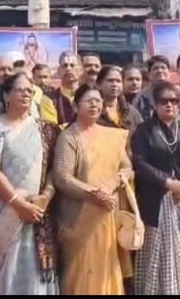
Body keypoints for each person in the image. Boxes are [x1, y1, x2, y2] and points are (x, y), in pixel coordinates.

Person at [0, 73, 59, 295]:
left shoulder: (45, 128)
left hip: (38, 210)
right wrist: (19, 205)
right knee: (6, 271)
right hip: (5, 209)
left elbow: (53, 169)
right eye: (20, 89)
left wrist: (46, 196)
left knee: (37, 273)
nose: (26, 94)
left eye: (29, 90)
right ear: (6, 95)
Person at [54, 85, 133, 295]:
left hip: (107, 216)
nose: (95, 105)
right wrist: (96, 195)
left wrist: (113, 183)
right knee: (81, 276)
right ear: (75, 106)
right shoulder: (69, 137)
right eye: (89, 101)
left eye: (98, 101)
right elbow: (62, 178)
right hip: (79, 220)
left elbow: (127, 168)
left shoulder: (112, 136)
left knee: (106, 273)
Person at [130, 82, 180, 294]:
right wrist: (168, 182)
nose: (169, 105)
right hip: (156, 199)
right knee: (155, 250)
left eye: (174, 101)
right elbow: (139, 162)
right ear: (155, 104)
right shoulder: (144, 130)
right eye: (164, 101)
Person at [96, 66, 143, 137]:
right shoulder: (93, 110)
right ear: (99, 84)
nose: (114, 84)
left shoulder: (131, 112)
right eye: (110, 81)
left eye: (118, 81)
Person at [133, 56, 172, 121]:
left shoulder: (178, 93)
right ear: (149, 74)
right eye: (156, 68)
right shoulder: (140, 97)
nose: (160, 71)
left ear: (169, 73)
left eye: (163, 68)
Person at [50, 52, 81, 126]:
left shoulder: (89, 95)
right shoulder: (49, 98)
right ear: (58, 71)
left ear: (80, 70)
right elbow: (51, 128)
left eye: (72, 65)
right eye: (65, 65)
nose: (68, 69)